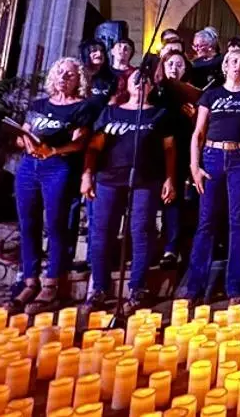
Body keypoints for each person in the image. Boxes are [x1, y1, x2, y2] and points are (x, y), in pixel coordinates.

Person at [80, 70, 176, 313]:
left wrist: (169, 178)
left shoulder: (160, 114)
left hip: (146, 179)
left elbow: (169, 149)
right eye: (136, 79)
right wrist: (87, 174)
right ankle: (99, 288)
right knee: (102, 232)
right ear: (127, 85)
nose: (140, 83)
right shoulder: (111, 112)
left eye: (145, 80)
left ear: (151, 86)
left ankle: (137, 288)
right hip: (108, 179)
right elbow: (94, 147)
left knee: (141, 231)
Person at [181, 50, 240, 305]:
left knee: (238, 220)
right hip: (212, 156)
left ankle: (235, 288)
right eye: (233, 61)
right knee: (206, 221)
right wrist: (194, 166)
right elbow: (198, 133)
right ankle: (194, 288)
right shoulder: (211, 95)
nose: (238, 66)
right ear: (225, 66)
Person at [10, 57, 95, 314]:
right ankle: (29, 280)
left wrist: (54, 150)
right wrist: (26, 142)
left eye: (70, 74)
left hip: (58, 166)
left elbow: (80, 142)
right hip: (29, 166)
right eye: (60, 72)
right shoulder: (39, 104)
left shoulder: (82, 107)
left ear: (79, 80)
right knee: (28, 223)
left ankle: (52, 282)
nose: (63, 77)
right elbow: (22, 134)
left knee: (56, 225)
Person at [154, 50, 196, 268]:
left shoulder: (190, 93)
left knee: (174, 199)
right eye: (170, 63)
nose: (174, 68)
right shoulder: (154, 91)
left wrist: (193, 116)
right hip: (152, 152)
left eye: (180, 65)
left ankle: (171, 247)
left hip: (180, 150)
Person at [81, 39, 117, 105]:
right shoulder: (78, 75)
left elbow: (112, 103)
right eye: (94, 51)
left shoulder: (111, 78)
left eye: (102, 51)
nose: (99, 54)